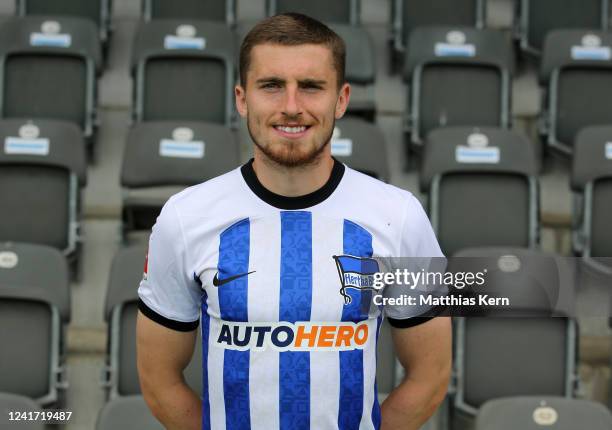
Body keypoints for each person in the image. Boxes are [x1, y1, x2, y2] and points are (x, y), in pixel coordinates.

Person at [137, 13, 451, 430]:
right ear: (242, 98)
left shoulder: (401, 215)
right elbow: (159, 380)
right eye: (271, 86)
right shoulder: (184, 216)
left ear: (340, 99)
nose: (291, 106)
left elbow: (430, 376)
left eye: (310, 87)